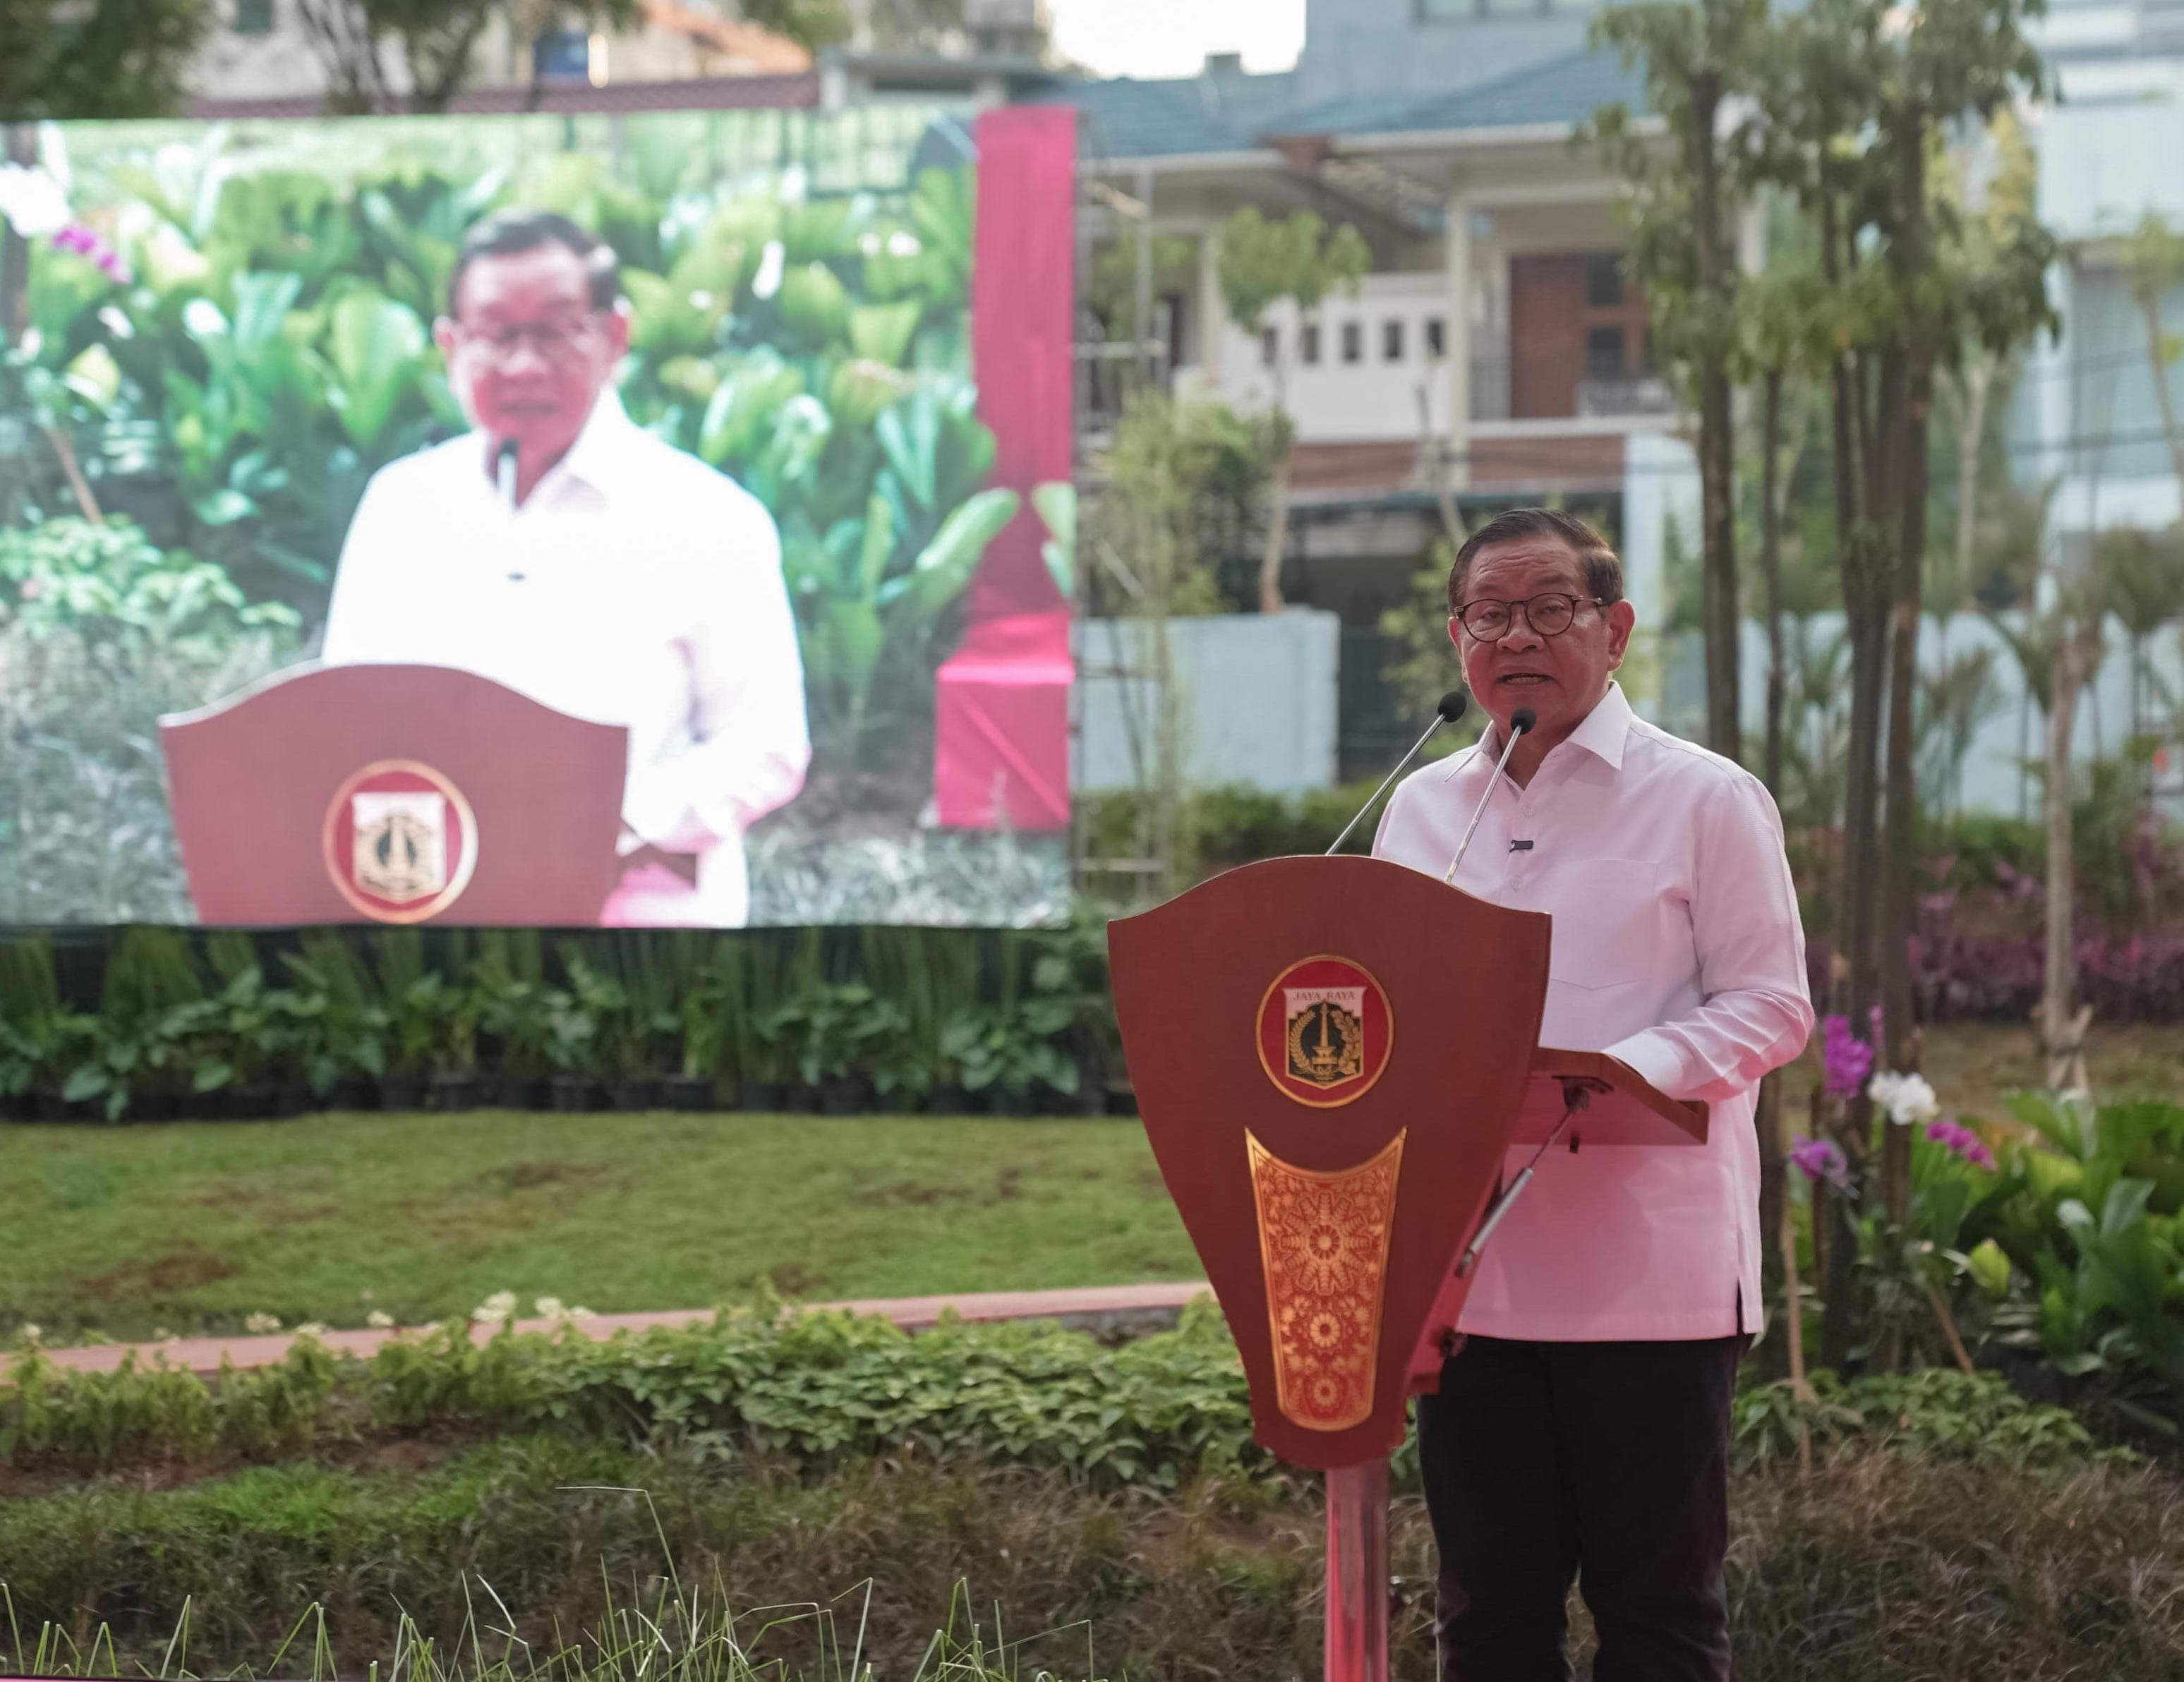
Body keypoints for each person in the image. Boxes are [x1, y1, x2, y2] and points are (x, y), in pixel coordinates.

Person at [1372, 507, 1814, 1681]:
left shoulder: (1707, 797)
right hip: (1470, 1277)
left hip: (1652, 1283)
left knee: (1657, 1618)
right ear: (1457, 638)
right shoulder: (1420, 812)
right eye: (1489, 615)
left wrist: (1628, 1071)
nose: (1517, 636)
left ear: (1613, 631)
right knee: (1486, 1619)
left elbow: (1772, 1005)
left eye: (1549, 609)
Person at [320, 209, 809, 927]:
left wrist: (607, 818)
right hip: (434, 917)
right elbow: (342, 715)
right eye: (495, 335)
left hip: (637, 925)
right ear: (451, 345)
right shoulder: (402, 505)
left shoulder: (708, 518)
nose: (523, 365)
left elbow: (765, 746)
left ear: (614, 338)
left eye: (554, 332)